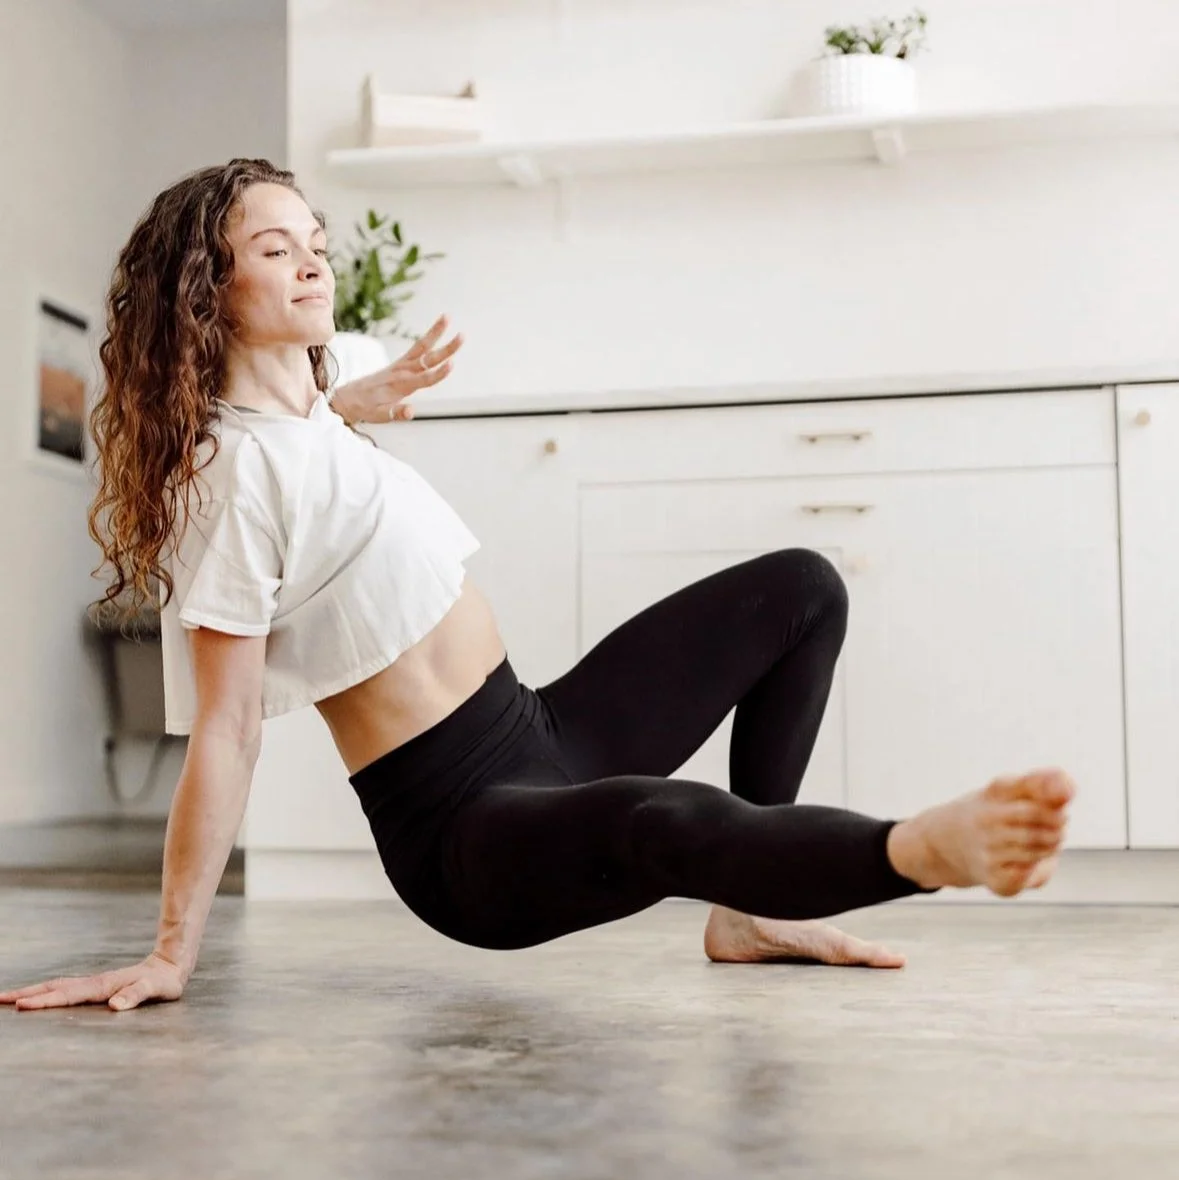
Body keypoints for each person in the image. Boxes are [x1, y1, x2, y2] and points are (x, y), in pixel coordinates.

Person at [1, 159, 1074, 1014]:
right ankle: (919, 850)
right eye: (276, 251)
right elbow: (227, 731)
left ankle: (751, 914)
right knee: (669, 817)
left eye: (316, 245)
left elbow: (300, 443)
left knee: (799, 589)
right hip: (470, 832)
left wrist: (348, 402)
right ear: (207, 291)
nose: (313, 265)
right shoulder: (231, 482)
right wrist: (170, 952)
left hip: (541, 729)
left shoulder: (303, 426)